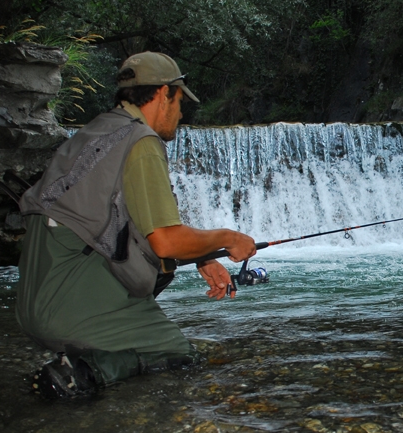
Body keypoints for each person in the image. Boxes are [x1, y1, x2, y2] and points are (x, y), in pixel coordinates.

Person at [15, 51, 257, 399]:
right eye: (179, 100)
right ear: (163, 94)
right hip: (70, 306)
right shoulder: (141, 141)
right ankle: (81, 374)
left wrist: (203, 255)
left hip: (35, 303)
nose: (181, 111)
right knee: (178, 355)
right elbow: (165, 241)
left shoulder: (97, 131)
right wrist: (229, 237)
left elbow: (118, 224)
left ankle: (85, 357)